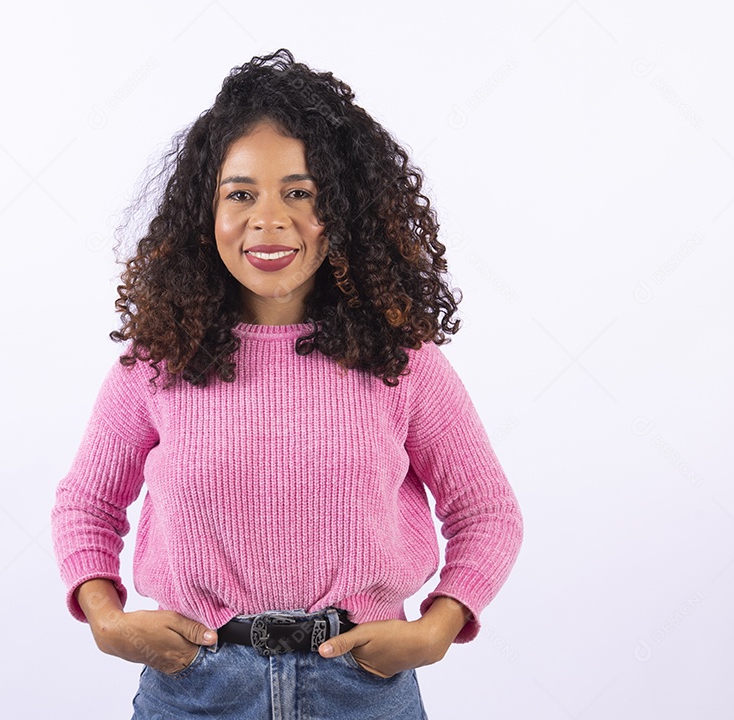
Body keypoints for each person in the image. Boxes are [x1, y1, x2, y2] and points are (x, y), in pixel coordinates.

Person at [51, 48, 523, 719]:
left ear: (345, 211)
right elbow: (87, 505)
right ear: (204, 213)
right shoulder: (158, 361)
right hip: (194, 690)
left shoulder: (403, 362)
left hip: (362, 691)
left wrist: (435, 629)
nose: (268, 220)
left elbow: (485, 511)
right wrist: (107, 619)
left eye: (299, 193)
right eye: (241, 194)